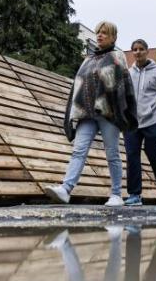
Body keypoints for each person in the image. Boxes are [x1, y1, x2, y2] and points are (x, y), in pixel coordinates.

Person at [44, 21, 137, 207]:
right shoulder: (88, 60)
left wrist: (123, 111)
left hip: (108, 112)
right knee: (79, 150)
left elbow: (122, 85)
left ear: (113, 37)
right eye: (98, 33)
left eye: (104, 33)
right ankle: (66, 189)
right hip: (87, 112)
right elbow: (78, 85)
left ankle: (116, 194)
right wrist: (75, 109)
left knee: (112, 153)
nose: (100, 36)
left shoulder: (117, 57)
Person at [123, 39, 156, 206]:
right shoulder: (128, 73)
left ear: (147, 51)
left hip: (153, 120)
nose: (138, 52)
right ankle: (135, 194)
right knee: (132, 156)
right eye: (135, 49)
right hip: (133, 121)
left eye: (141, 49)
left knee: (152, 153)